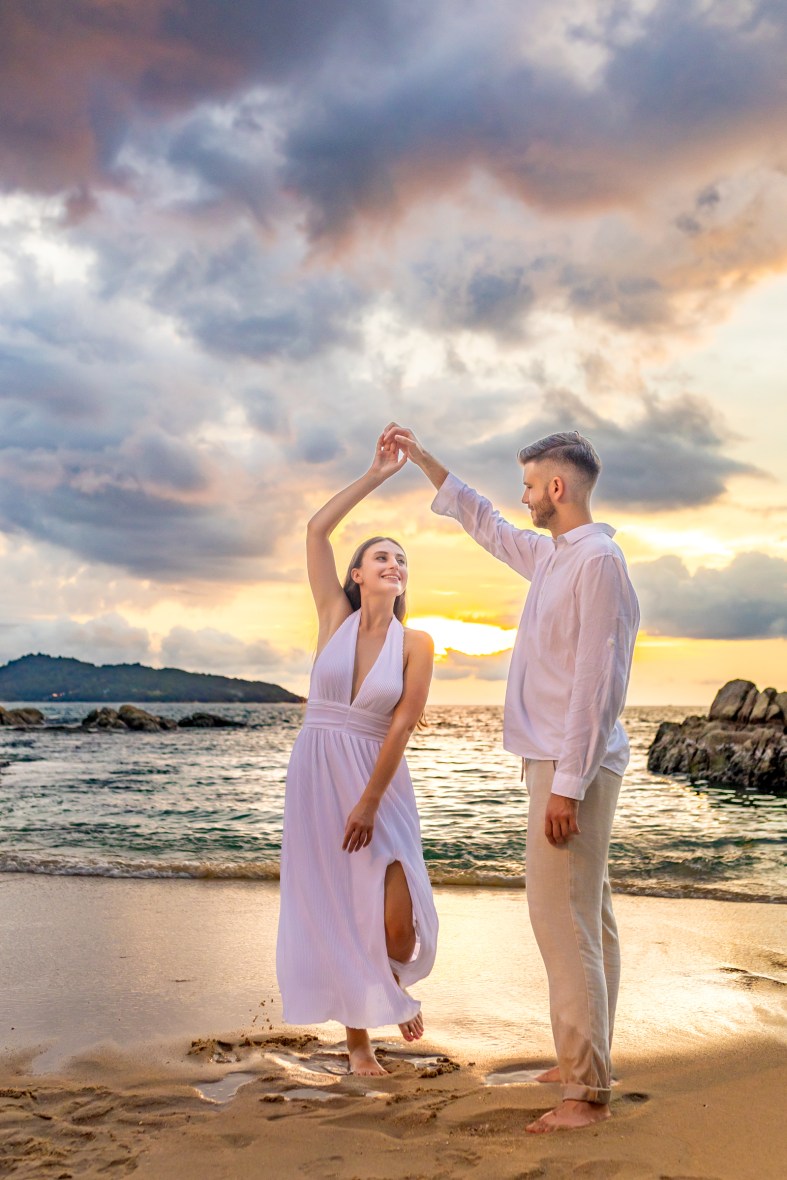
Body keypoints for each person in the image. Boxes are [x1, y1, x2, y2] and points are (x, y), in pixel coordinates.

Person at [383, 422, 639, 1132]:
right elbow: (488, 525)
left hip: (570, 763)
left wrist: (566, 783)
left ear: (557, 487)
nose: (522, 497)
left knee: (562, 925)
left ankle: (584, 1094)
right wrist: (429, 464)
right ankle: (582, 1060)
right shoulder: (556, 556)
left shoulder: (596, 563)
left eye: (529, 485)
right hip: (561, 758)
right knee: (587, 919)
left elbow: (596, 683)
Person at [276, 434, 438, 1077]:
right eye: (381, 556)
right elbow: (317, 530)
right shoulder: (332, 619)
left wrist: (370, 802)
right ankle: (359, 1043)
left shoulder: (417, 642)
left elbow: (402, 726)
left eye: (401, 558)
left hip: (380, 783)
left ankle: (392, 979)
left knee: (398, 923)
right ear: (357, 573)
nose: (394, 564)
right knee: (342, 903)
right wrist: (376, 474)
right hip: (317, 775)